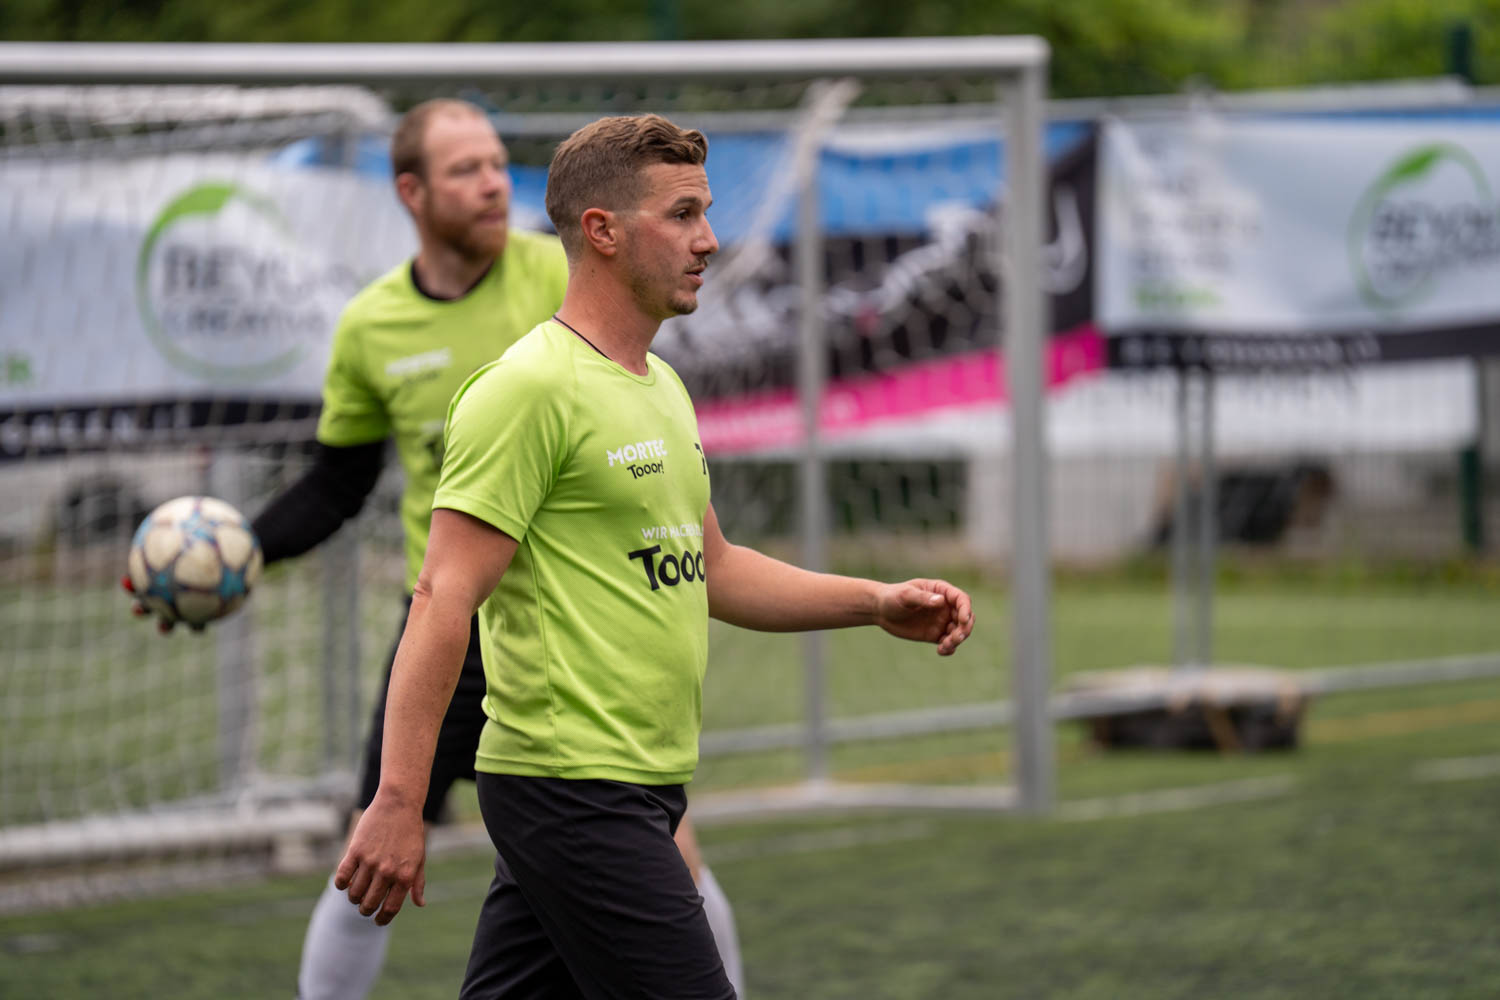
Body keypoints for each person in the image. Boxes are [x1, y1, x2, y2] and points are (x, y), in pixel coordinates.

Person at [335, 113, 975, 1000]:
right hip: (572, 788)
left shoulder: (661, 384)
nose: (708, 239)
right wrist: (400, 800)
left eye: (704, 213)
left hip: (639, 783)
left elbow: (715, 566)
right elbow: (443, 596)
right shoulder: (528, 389)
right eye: (682, 215)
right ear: (602, 230)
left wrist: (874, 601)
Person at [124, 99, 742, 1000]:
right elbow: (337, 487)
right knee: (375, 842)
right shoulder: (373, 324)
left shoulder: (565, 275)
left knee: (667, 858)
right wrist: (236, 557)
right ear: (412, 193)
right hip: (450, 631)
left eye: (496, 163)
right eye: (466, 170)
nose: (492, 184)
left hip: (577, 627)